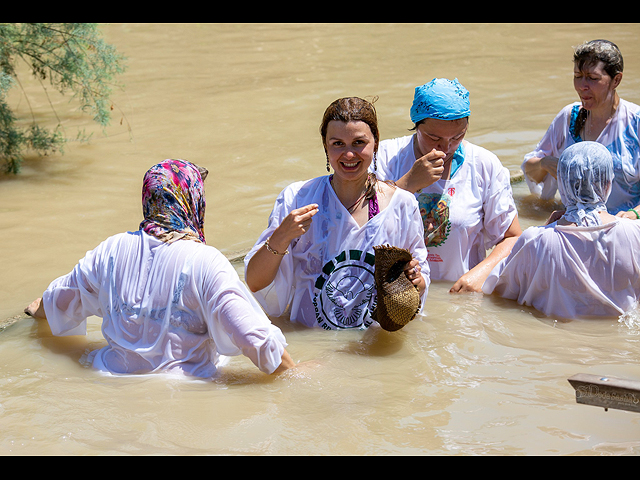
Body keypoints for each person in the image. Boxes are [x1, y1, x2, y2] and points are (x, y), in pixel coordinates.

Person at [24, 159, 294, 378]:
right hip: (185, 396)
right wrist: (296, 373)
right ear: (192, 201)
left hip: (110, 382)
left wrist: (37, 308)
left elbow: (61, 300)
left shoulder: (111, 250)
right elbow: (255, 339)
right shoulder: (206, 262)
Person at [244, 97, 429, 330]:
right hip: (312, 343)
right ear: (325, 146)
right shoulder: (297, 198)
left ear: (376, 144)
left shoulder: (402, 204)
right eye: (338, 143)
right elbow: (254, 282)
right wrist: (281, 237)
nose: (349, 155)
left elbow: (419, 288)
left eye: (359, 142)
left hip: (370, 349)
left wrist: (416, 281)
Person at [374, 78, 521, 293]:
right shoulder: (385, 158)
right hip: (396, 294)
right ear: (416, 126)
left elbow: (513, 237)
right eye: (434, 138)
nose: (446, 147)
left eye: (457, 136)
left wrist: (481, 273)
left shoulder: (484, 165)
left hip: (459, 296)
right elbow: (361, 225)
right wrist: (408, 183)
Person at [483, 142, 640, 319]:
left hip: (556, 341)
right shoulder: (635, 233)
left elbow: (496, 292)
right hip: (618, 344)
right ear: (608, 183)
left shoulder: (536, 240)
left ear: (562, 184)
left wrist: (543, 230)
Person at [521, 39, 640, 219]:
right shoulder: (569, 117)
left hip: (623, 226)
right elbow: (530, 171)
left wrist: (634, 214)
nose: (582, 86)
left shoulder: (636, 123)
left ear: (616, 79)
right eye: (577, 76)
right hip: (575, 224)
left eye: (592, 79)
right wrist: (545, 164)